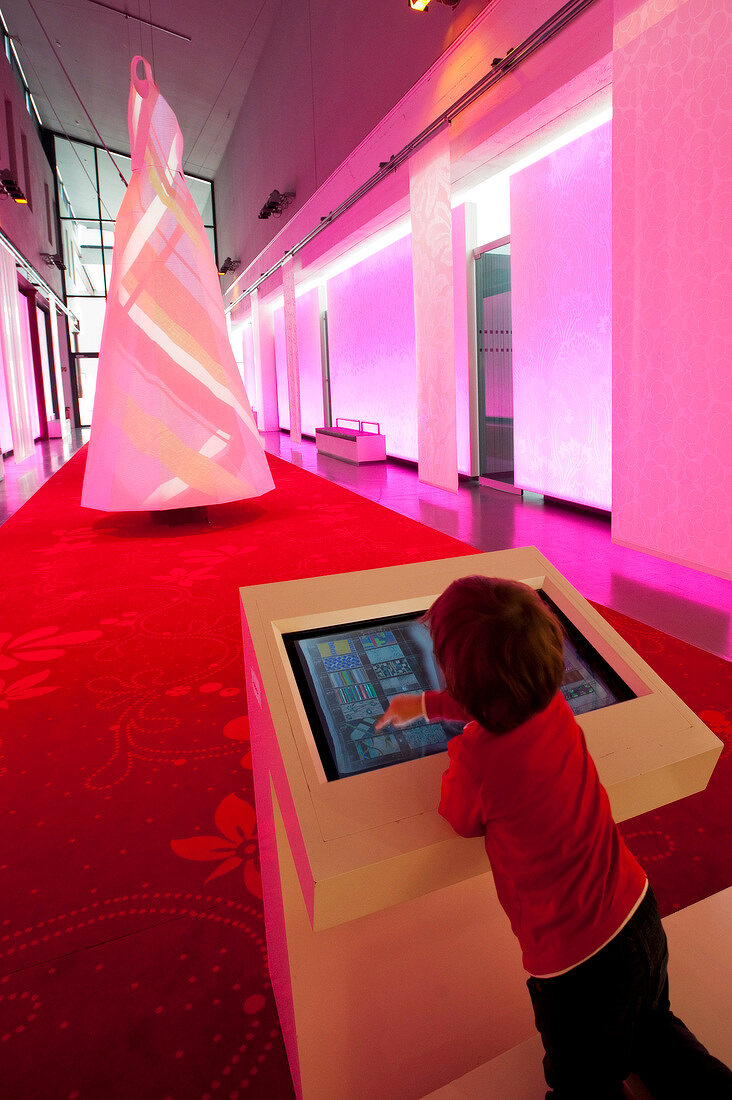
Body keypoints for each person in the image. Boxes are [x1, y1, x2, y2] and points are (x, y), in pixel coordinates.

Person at [376, 576, 732, 1100]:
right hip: (637, 909)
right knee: (654, 1035)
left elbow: (459, 817)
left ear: (459, 678)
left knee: (582, 1083)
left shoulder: (477, 759)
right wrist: (429, 705)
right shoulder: (552, 706)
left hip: (577, 969)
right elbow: (498, 696)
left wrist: (438, 719)